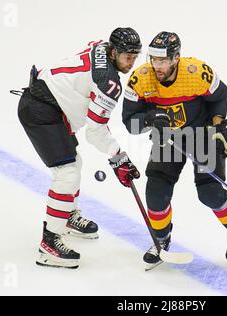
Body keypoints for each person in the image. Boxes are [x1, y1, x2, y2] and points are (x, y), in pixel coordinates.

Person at [122, 31, 227, 270]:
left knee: (209, 193)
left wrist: (219, 123)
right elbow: (130, 123)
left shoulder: (196, 72)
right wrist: (149, 119)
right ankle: (161, 239)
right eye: (153, 59)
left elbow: (221, 97)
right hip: (168, 139)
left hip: (202, 134)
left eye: (162, 60)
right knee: (156, 193)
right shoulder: (141, 79)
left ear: (176, 57)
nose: (156, 66)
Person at [17, 27, 141, 269]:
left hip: (48, 103)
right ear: (114, 52)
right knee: (67, 172)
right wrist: (119, 156)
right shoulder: (109, 83)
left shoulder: (100, 46)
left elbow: (88, 56)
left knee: (75, 164)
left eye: (135, 56)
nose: (132, 63)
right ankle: (49, 243)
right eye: (127, 57)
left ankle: (67, 216)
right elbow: (95, 132)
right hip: (42, 111)